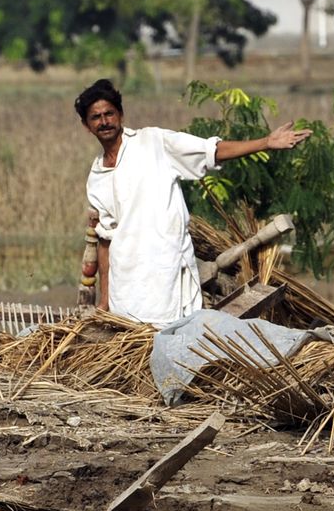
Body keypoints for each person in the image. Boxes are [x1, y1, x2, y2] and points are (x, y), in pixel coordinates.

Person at [76, 79, 311, 326]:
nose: (104, 121)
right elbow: (105, 240)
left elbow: (211, 150)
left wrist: (266, 142)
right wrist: (104, 300)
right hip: (126, 286)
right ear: (87, 125)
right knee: (133, 348)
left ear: (120, 115)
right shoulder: (97, 176)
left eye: (109, 114)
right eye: (96, 117)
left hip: (166, 275)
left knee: (173, 337)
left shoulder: (155, 142)